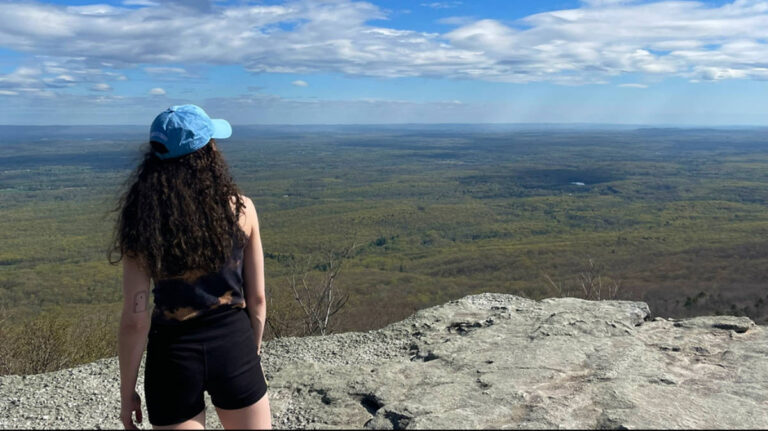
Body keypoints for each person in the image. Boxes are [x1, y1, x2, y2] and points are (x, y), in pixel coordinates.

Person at [110, 104, 272, 430]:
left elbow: (135, 318)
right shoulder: (242, 209)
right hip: (234, 345)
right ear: (207, 154)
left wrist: (127, 393)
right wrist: (248, 355)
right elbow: (257, 301)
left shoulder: (143, 224)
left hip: (173, 358)